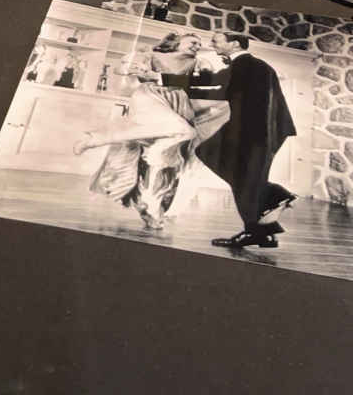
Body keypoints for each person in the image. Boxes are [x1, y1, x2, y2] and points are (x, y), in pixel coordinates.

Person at [73, 60, 230, 231]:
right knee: (175, 140)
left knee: (163, 167)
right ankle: (99, 139)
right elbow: (123, 68)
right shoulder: (155, 57)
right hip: (154, 100)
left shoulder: (197, 64)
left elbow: (205, 90)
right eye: (192, 43)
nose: (196, 47)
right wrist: (138, 70)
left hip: (177, 105)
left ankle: (152, 209)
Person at [192, 32, 297, 250]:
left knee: (239, 175)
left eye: (216, 40)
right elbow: (219, 85)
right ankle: (265, 234)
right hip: (266, 130)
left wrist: (164, 80)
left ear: (234, 44)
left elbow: (216, 87)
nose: (212, 44)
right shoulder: (254, 65)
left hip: (255, 132)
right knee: (242, 176)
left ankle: (275, 197)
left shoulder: (244, 64)